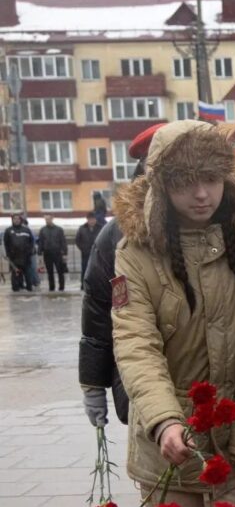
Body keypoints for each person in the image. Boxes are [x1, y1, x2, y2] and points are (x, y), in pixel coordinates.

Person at [111, 120, 235, 507]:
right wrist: (164, 420)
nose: (202, 194)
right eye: (185, 182)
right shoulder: (135, 253)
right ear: (162, 186)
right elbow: (136, 342)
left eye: (210, 179)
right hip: (170, 442)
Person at [78, 122, 162, 430]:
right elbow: (97, 311)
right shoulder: (115, 235)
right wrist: (92, 384)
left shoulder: (215, 224)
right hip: (136, 376)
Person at [4, 215, 37, 292]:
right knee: (16, 273)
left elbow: (32, 241)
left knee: (28, 272)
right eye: (14, 219)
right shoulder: (8, 230)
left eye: (18, 219)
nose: (16, 220)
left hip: (26, 256)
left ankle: (29, 287)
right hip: (14, 257)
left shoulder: (26, 230)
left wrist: (30, 251)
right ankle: (16, 288)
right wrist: (8, 254)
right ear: (12, 220)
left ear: (20, 220)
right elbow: (6, 243)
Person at [37, 215, 68, 291]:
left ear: (52, 219)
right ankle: (51, 287)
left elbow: (63, 241)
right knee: (50, 272)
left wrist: (64, 253)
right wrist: (39, 253)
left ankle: (61, 287)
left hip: (57, 253)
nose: (47, 221)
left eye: (48, 219)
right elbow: (40, 242)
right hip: (47, 253)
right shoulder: (43, 230)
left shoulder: (59, 229)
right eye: (46, 219)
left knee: (60, 271)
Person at [74, 213, 100, 285]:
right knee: (85, 269)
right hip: (86, 254)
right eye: (90, 219)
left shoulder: (100, 228)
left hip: (97, 254)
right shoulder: (82, 228)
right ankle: (83, 285)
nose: (91, 221)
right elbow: (77, 240)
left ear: (95, 219)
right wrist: (83, 249)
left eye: (93, 219)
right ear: (87, 220)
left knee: (97, 270)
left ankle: (97, 285)